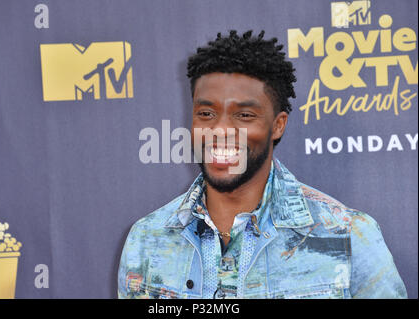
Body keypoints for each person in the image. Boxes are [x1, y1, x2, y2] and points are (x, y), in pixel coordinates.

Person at [118, 30, 407, 299]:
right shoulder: (146, 239)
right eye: (206, 113)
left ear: (278, 125)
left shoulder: (347, 236)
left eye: (244, 115)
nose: (220, 130)